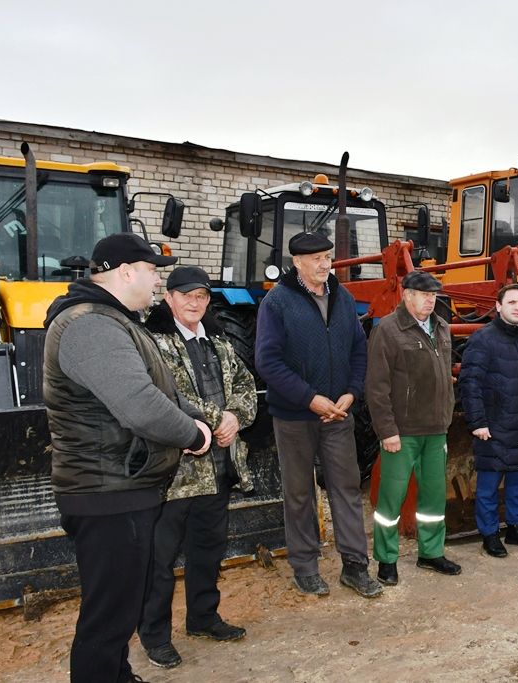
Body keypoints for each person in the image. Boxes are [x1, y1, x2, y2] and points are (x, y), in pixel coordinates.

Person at [43, 233, 212, 683]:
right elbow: (139, 405)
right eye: (153, 271)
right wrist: (192, 434)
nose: (157, 282)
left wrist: (192, 415)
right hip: (106, 491)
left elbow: (162, 391)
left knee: (119, 607)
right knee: (107, 617)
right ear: (125, 272)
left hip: (123, 485)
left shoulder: (115, 321)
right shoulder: (90, 325)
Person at [138, 266, 256, 669]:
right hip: (174, 476)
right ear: (168, 298)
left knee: (208, 550)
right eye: (186, 295)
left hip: (219, 469)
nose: (194, 302)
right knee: (160, 559)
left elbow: (244, 384)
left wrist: (236, 417)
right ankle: (154, 636)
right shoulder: (153, 344)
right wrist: (216, 419)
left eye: (201, 296)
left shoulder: (218, 342)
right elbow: (165, 396)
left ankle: (203, 618)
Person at [255, 231, 382, 598]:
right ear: (297, 262)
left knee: (346, 488)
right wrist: (310, 399)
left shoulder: (343, 299)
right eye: (316, 259)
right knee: (299, 492)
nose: (325, 264)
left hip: (338, 414)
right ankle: (306, 566)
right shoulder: (276, 303)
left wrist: (350, 393)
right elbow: (268, 361)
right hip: (295, 416)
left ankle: (355, 566)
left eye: (327, 256)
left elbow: (359, 350)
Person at [366, 270, 461, 583]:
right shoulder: (389, 331)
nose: (430, 300)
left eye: (433, 295)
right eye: (423, 294)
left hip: (436, 431)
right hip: (402, 433)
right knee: (391, 498)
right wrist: (387, 431)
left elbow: (444, 377)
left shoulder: (443, 328)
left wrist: (446, 415)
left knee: (433, 498)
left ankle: (431, 552)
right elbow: (377, 387)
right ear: (406, 295)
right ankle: (386, 559)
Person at [459, 284, 518, 557]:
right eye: (511, 302)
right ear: (499, 306)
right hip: (493, 427)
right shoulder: (484, 339)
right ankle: (490, 534)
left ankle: (516, 528)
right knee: (489, 486)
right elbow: (470, 383)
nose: (517, 307)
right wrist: (477, 422)